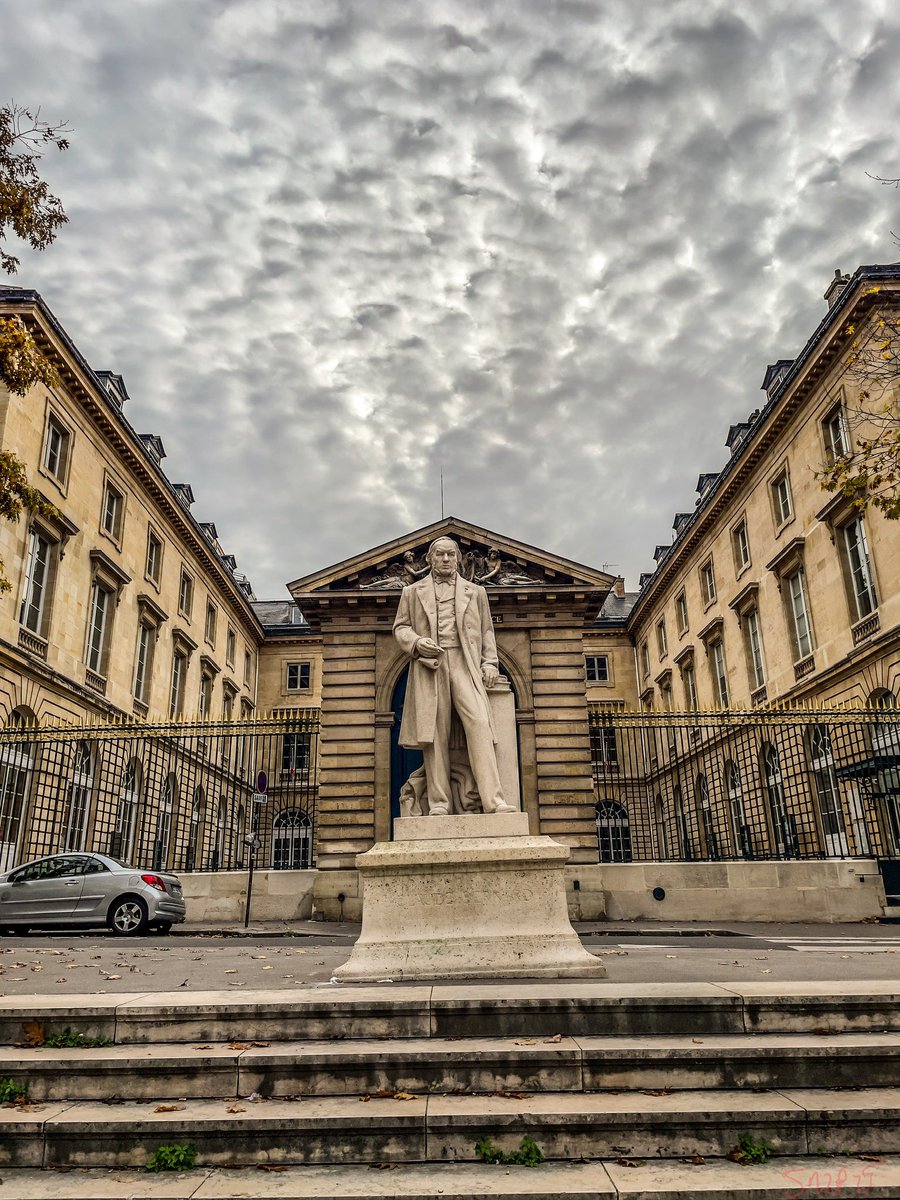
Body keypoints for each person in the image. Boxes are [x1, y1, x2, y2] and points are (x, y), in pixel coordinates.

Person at [393, 536, 513, 815]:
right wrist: (415, 642)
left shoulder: (476, 592)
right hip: (430, 665)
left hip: (464, 661)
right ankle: (439, 803)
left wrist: (490, 663)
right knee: (435, 734)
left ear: (458, 558)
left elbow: (486, 631)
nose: (446, 559)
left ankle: (494, 801)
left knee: (480, 723)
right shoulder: (412, 592)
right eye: (440, 555)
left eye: (450, 555)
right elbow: (401, 628)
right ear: (430, 559)